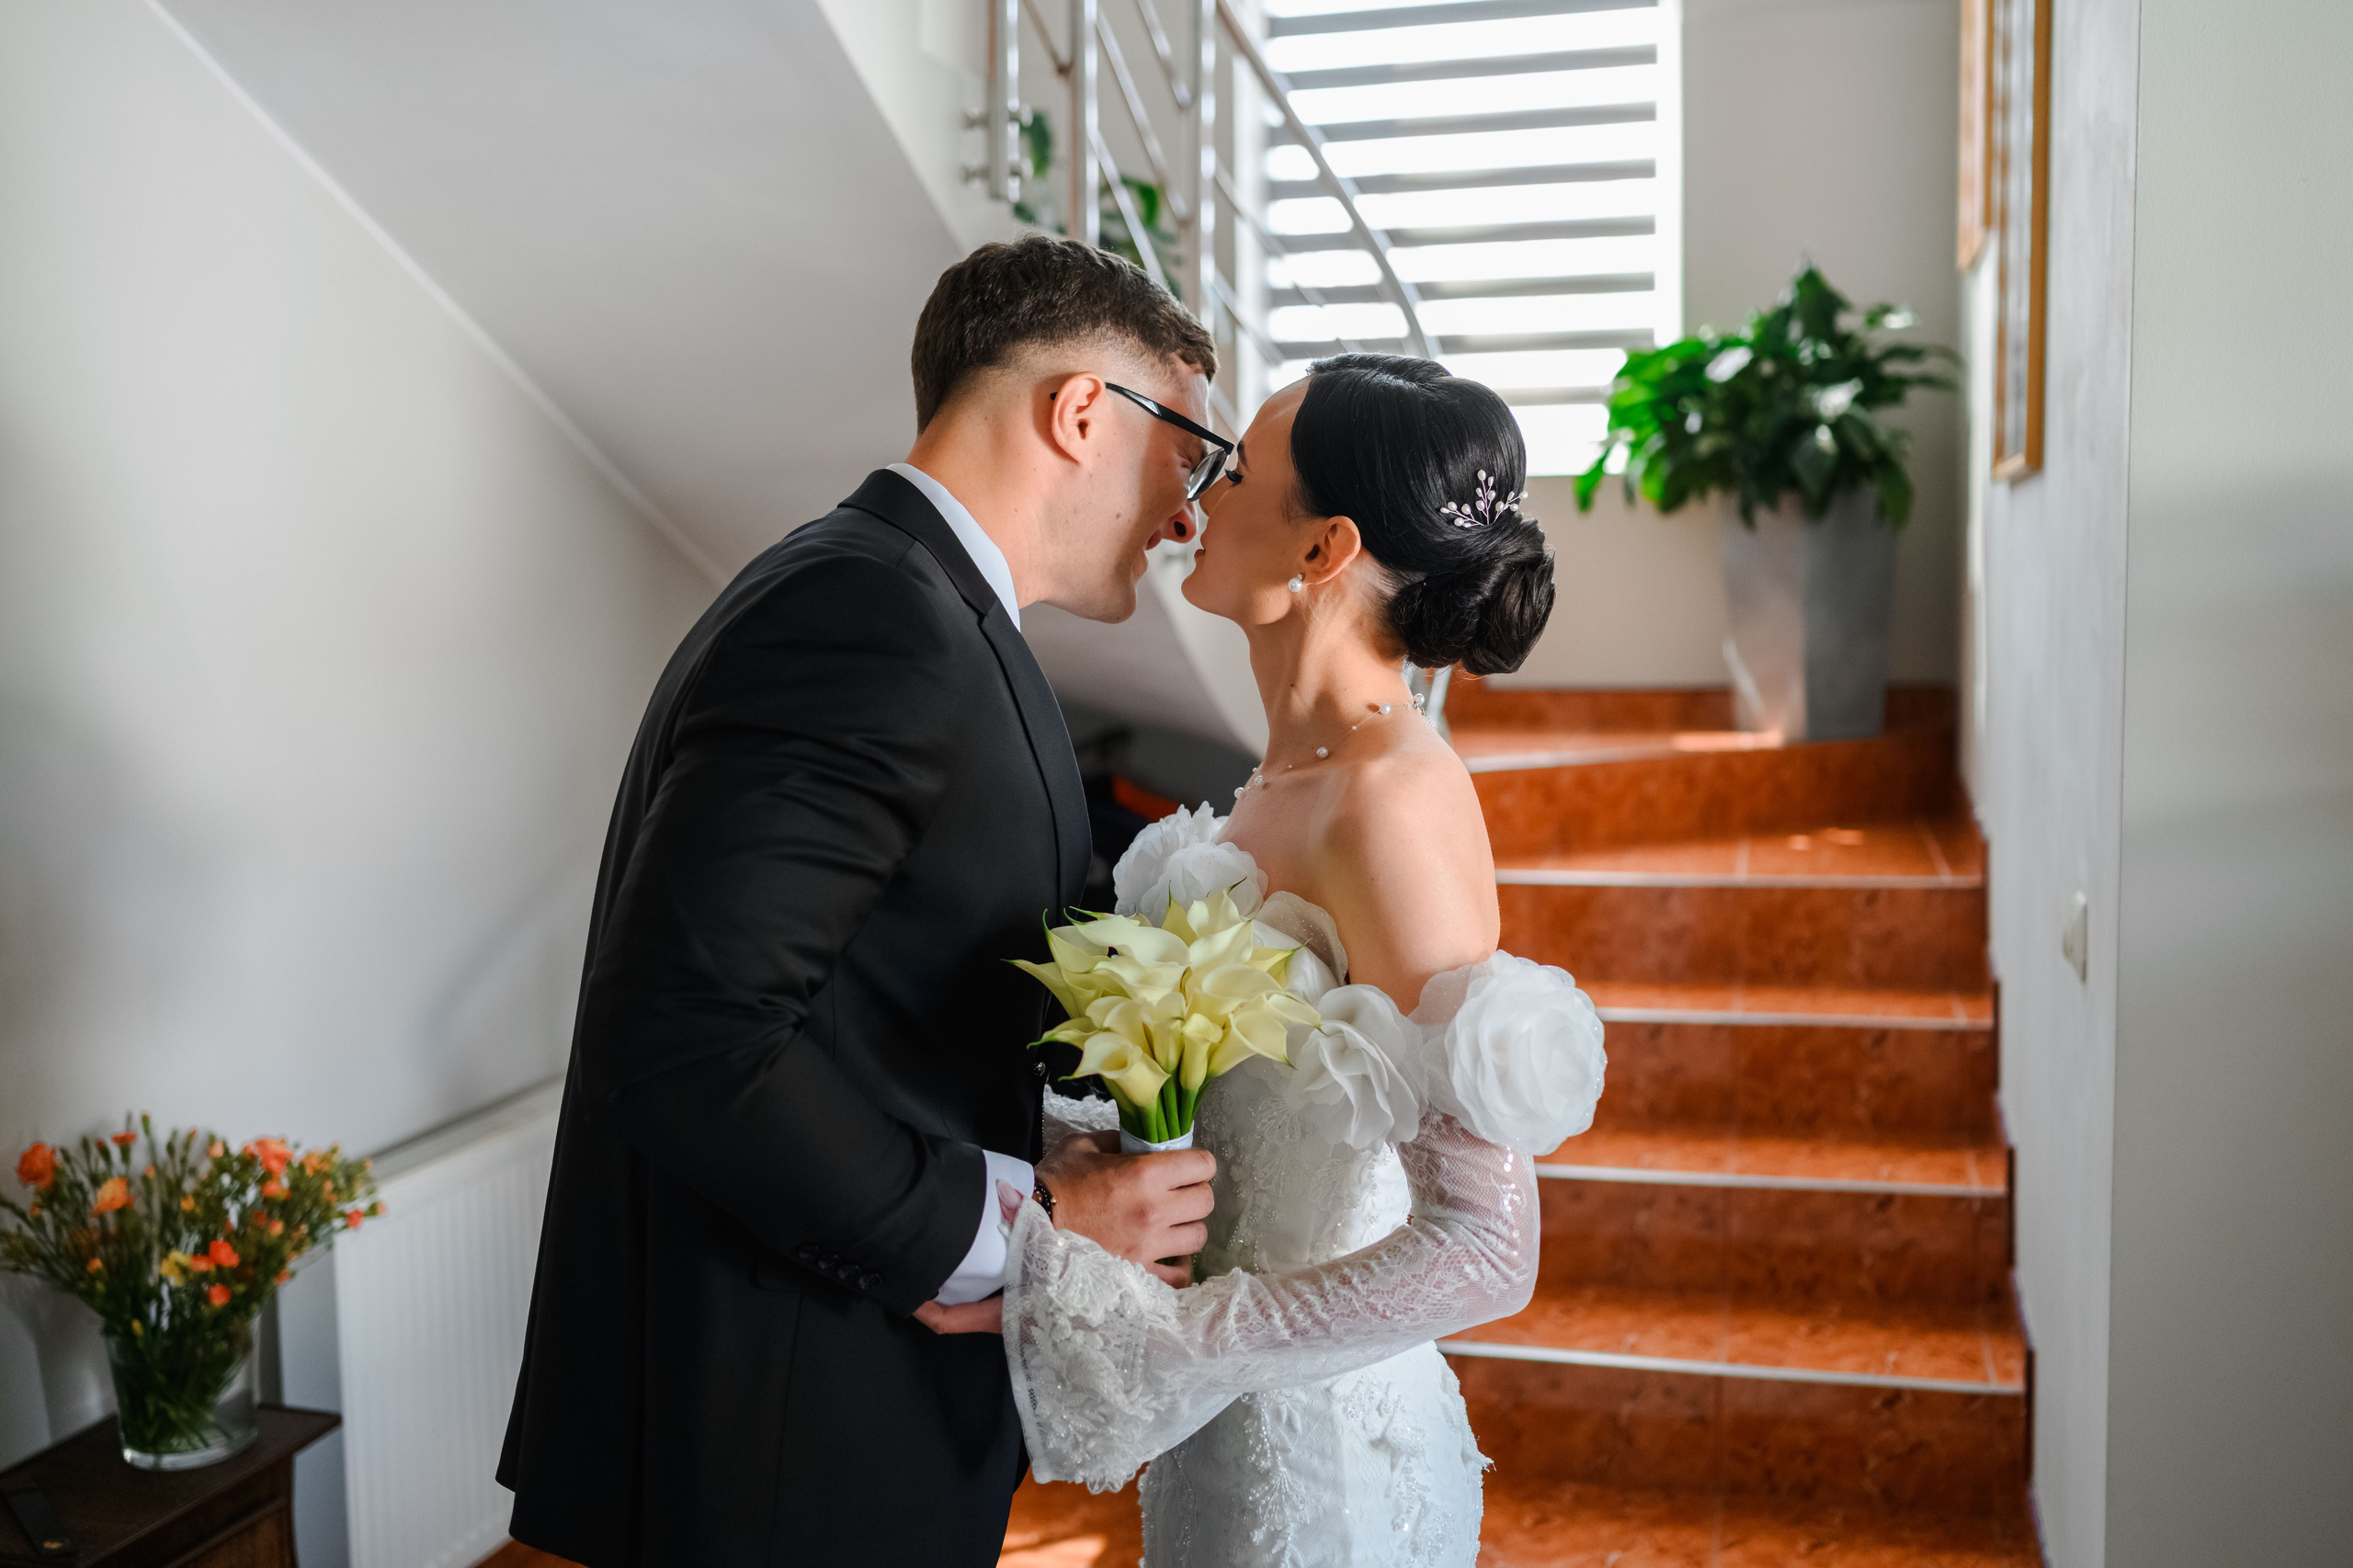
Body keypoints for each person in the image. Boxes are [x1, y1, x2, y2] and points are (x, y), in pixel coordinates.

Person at [495, 235, 1243, 1566]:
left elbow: (889, 995)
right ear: (1082, 412)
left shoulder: (918, 604)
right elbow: (682, 1037)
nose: (1190, 513)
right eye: (1189, 450)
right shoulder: (869, 613)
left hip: (833, 1408)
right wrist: (1034, 1224)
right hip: (787, 1435)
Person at [928, 354, 1608, 1565]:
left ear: (1323, 550)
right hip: (1222, 1453)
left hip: (1327, 1470)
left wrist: (1189, 1342)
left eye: (1238, 469)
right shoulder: (1281, 783)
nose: (1196, 494)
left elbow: (1489, 1244)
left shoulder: (1393, 803)